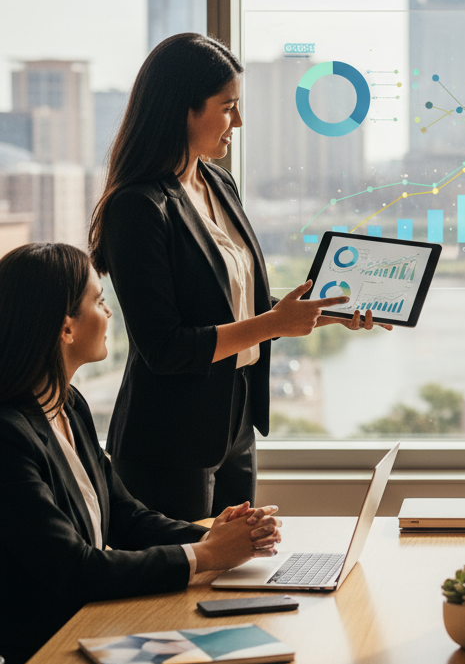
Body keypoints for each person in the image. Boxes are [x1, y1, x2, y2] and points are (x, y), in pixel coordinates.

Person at [89, 33, 390, 521]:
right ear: (184, 110)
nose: (240, 121)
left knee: (237, 562)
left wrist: (324, 312)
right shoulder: (137, 207)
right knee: (188, 566)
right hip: (169, 438)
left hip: (235, 418)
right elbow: (164, 347)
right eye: (228, 107)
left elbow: (234, 303)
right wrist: (274, 325)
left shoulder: (218, 181)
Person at [0, 242, 283, 664]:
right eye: (98, 301)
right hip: (47, 659)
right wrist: (207, 554)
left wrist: (221, 539)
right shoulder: (8, 436)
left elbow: (125, 517)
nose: (109, 311)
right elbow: (76, 570)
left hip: (95, 628)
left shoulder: (67, 404)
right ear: (66, 328)